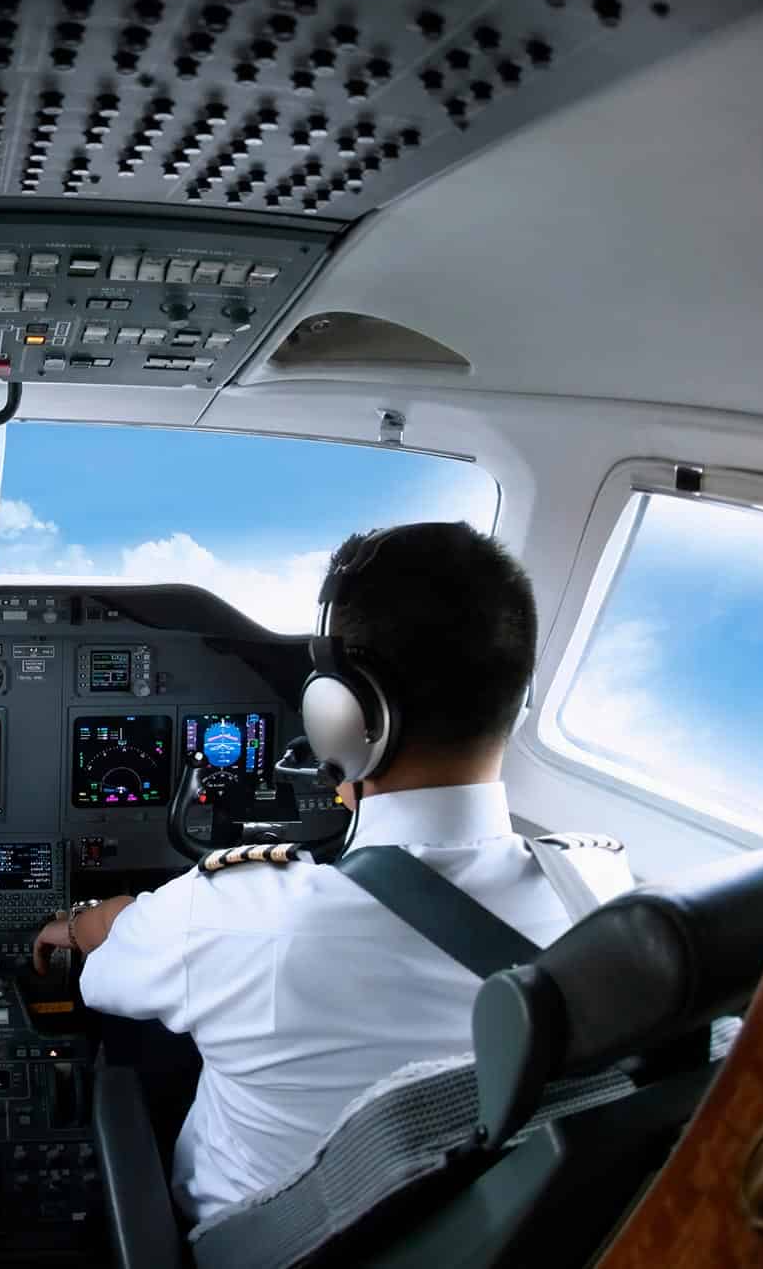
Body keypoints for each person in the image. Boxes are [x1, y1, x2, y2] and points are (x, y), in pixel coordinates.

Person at [32, 521, 586, 1226]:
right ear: (520, 692)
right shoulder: (606, 905)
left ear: (343, 715)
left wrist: (70, 923)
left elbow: (104, 972)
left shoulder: (240, 916)